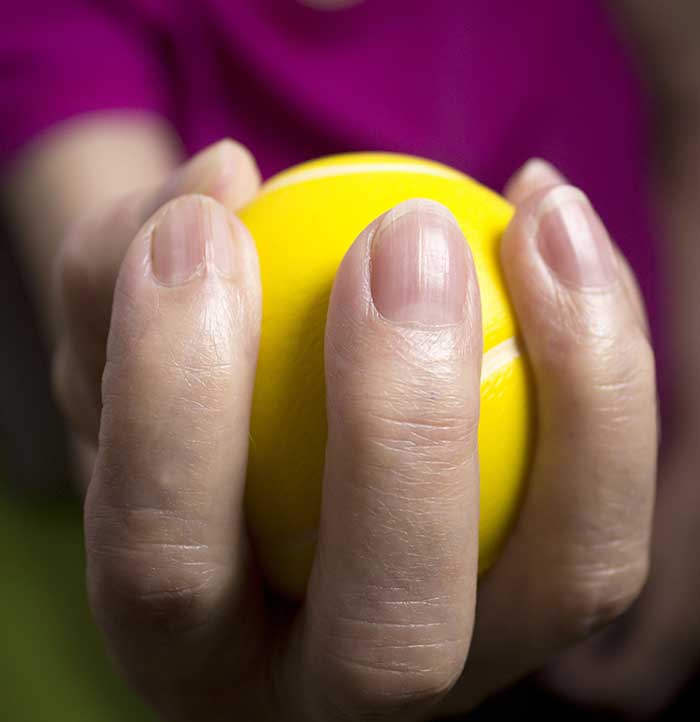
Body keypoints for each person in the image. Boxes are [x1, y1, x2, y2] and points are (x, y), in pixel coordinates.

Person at [0, 1, 694, 720]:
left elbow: (688, 97)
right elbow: (129, 380)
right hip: (318, 611)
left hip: (647, 584)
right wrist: (128, 338)